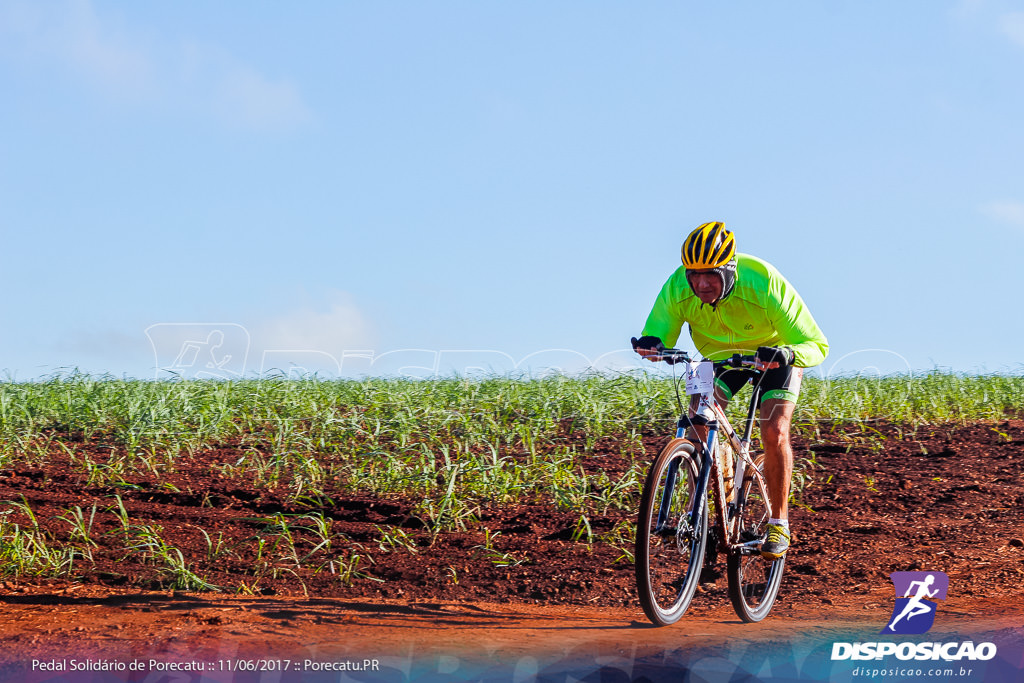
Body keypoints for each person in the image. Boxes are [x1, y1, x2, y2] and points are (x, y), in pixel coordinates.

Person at [631, 221, 828, 559]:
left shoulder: (763, 282)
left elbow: (816, 344)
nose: (701, 284)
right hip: (718, 358)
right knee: (695, 420)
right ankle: (700, 517)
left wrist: (789, 354)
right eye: (694, 275)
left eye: (711, 275)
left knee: (774, 428)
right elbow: (657, 332)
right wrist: (652, 345)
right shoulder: (678, 286)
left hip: (774, 356)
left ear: (730, 271)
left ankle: (779, 522)